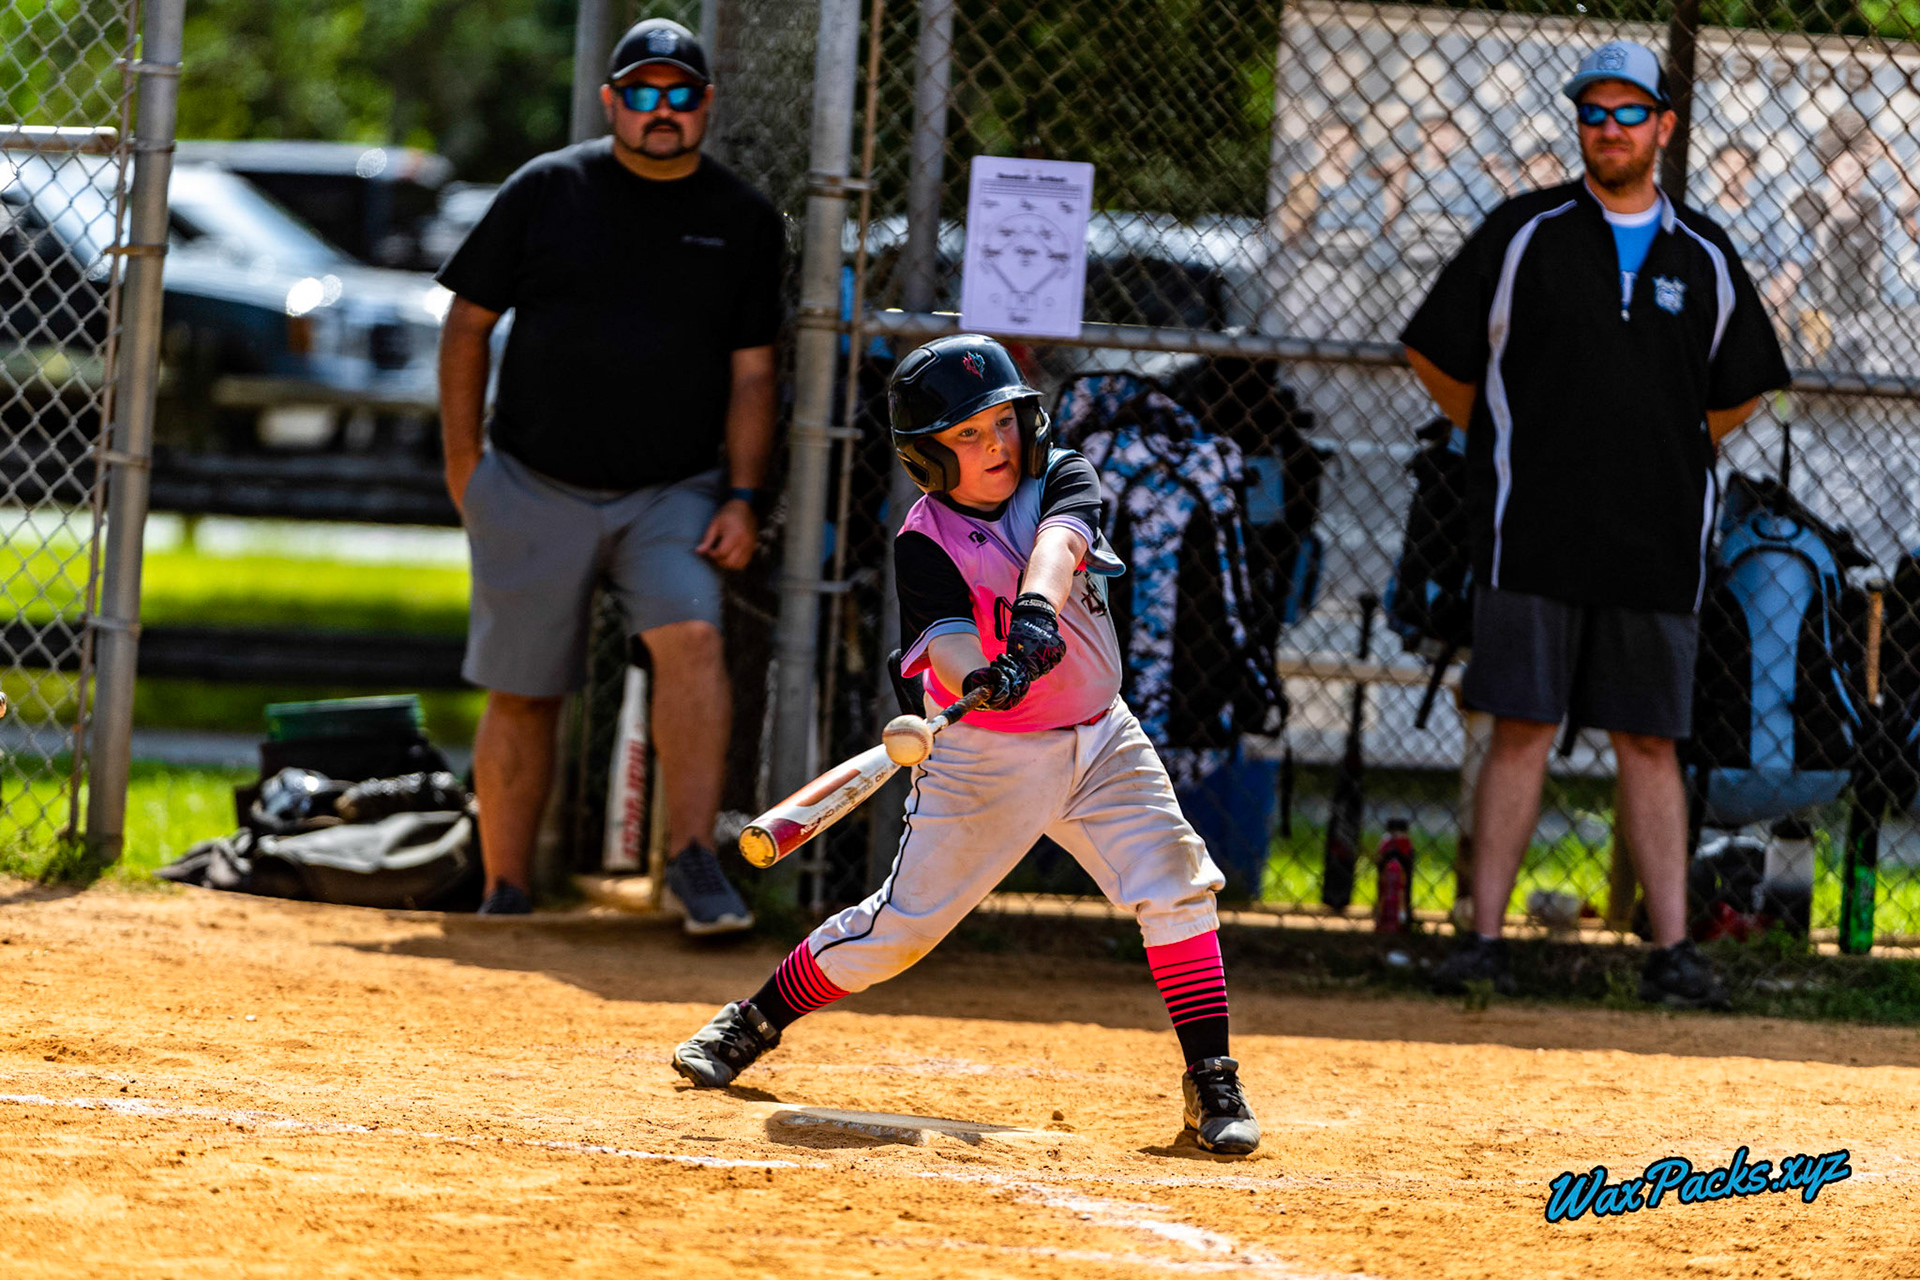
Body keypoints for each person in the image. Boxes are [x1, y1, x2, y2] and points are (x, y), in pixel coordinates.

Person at [668, 334, 1262, 1156]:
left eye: (1003, 422)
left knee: (1177, 885)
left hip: (1102, 738)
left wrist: (1036, 617)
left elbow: (1059, 547)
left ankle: (1211, 1077)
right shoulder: (923, 538)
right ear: (928, 457)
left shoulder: (1062, 472)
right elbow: (944, 642)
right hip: (985, 757)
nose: (996, 445)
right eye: (968, 435)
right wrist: (984, 674)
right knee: (899, 930)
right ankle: (753, 1020)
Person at [1400, 40, 1789, 1007]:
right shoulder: (1524, 232)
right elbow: (1437, 356)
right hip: (1531, 528)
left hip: (1656, 539)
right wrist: (1503, 436)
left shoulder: (1704, 254)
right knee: (1521, 724)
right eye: (1593, 114)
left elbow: (1740, 390)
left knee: (1649, 739)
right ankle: (1483, 941)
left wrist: (1662, 449)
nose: (1609, 130)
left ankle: (1672, 954)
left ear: (1664, 125)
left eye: (1629, 113)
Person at [435, 18, 782, 930]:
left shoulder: (742, 219)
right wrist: (465, 468)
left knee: (693, 640)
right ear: (611, 102)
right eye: (642, 93)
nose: (661, 110)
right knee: (523, 688)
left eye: (680, 94)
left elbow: (755, 374)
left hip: (673, 490)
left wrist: (743, 498)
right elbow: (468, 323)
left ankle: (692, 862)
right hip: (532, 479)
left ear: (706, 104)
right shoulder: (547, 189)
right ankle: (506, 890)